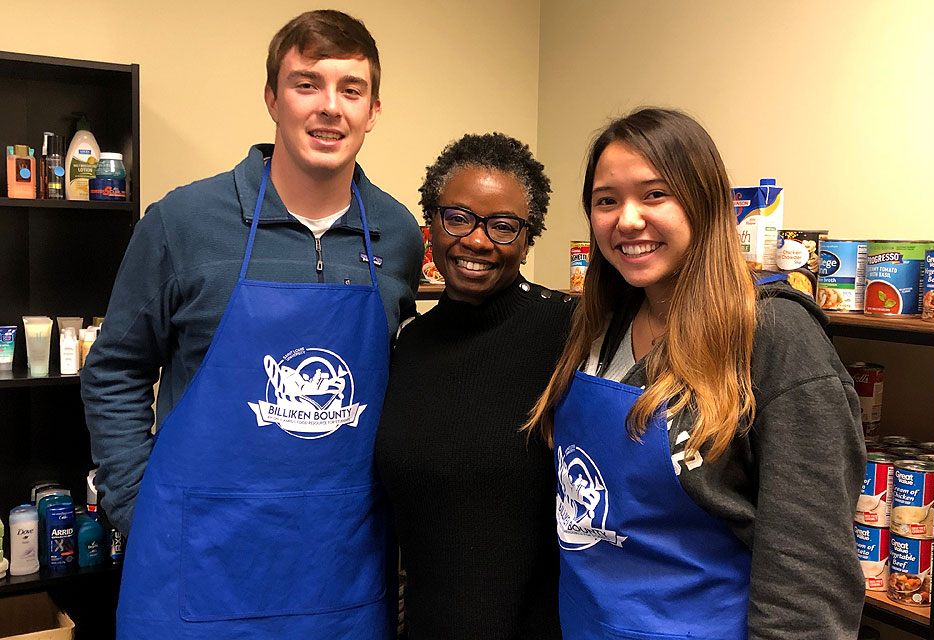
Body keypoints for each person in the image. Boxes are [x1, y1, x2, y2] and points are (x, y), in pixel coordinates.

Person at [80, 10, 422, 639]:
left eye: (351, 89)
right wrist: (137, 507)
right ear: (271, 98)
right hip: (198, 568)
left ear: (374, 110)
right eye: (306, 84)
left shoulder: (398, 235)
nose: (330, 107)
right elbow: (115, 371)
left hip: (342, 574)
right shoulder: (182, 221)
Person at [525, 108, 866, 639]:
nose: (627, 219)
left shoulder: (772, 335)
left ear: (705, 202)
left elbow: (810, 569)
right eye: (606, 200)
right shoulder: (599, 326)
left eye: (654, 194)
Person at [375, 133, 572, 639]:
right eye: (458, 218)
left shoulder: (571, 332)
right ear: (431, 226)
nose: (477, 241)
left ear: (528, 239)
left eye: (503, 227)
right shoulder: (409, 343)